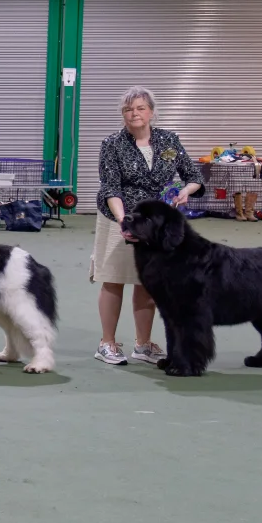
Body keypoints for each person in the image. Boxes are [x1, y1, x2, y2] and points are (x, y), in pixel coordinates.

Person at [92, 86, 203, 366]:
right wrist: (122, 220)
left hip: (155, 224)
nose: (134, 114)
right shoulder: (112, 144)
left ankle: (143, 345)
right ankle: (107, 343)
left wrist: (186, 191)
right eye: (128, 109)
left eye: (140, 108)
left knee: (149, 281)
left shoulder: (169, 140)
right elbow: (110, 187)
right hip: (119, 216)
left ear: (151, 112)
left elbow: (194, 175)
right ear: (123, 115)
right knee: (113, 278)